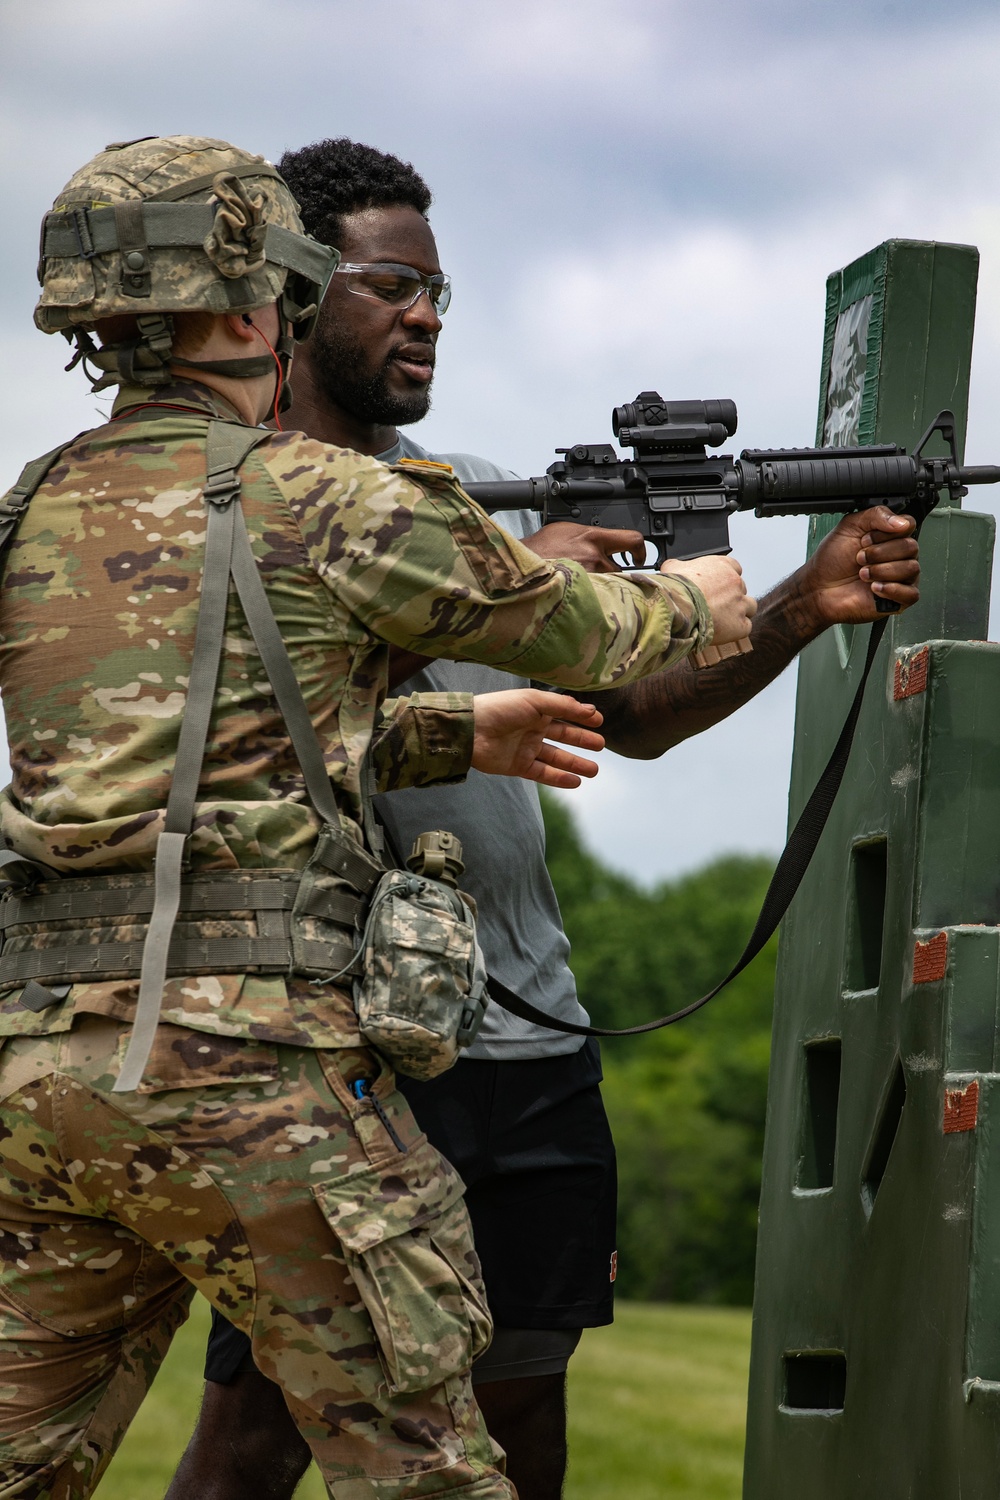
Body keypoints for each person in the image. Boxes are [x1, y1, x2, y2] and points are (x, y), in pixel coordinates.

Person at [0, 135, 757, 1500]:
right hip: (255, 1073)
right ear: (260, 303)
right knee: (430, 1470)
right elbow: (600, 634)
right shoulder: (327, 496)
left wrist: (461, 728)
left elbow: (187, 755)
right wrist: (713, 585)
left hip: (45, 1084)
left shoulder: (37, 504)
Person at [167, 139, 922, 1500]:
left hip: (528, 1036)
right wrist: (510, 582)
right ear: (287, 292)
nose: (424, 316)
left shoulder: (473, 495)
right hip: (334, 1043)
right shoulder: (236, 510)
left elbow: (628, 716)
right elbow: (239, 735)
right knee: (260, 1435)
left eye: (440, 292)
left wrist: (810, 600)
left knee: (526, 1418)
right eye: (390, 283)